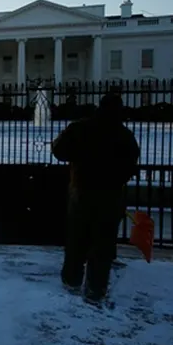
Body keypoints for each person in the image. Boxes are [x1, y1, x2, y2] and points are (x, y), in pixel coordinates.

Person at [51, 92, 140, 304]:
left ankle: (71, 279)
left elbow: (58, 150)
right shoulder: (124, 135)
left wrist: (80, 158)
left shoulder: (81, 128)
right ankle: (96, 288)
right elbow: (130, 164)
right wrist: (115, 176)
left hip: (82, 191)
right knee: (103, 244)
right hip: (110, 195)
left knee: (77, 238)